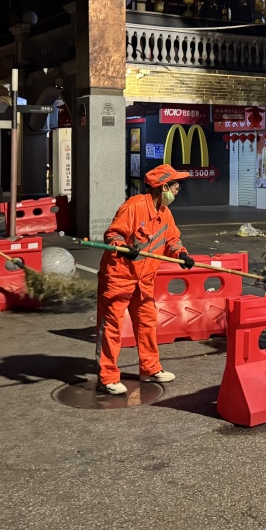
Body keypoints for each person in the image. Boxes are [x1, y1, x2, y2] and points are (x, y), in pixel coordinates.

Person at [96, 163, 195, 395]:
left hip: (144, 279)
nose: (178, 189)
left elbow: (172, 240)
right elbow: (112, 234)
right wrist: (123, 248)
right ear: (163, 187)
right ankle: (107, 377)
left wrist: (181, 254)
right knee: (111, 326)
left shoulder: (165, 213)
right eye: (176, 185)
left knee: (147, 323)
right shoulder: (134, 207)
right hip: (119, 277)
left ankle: (149, 368)